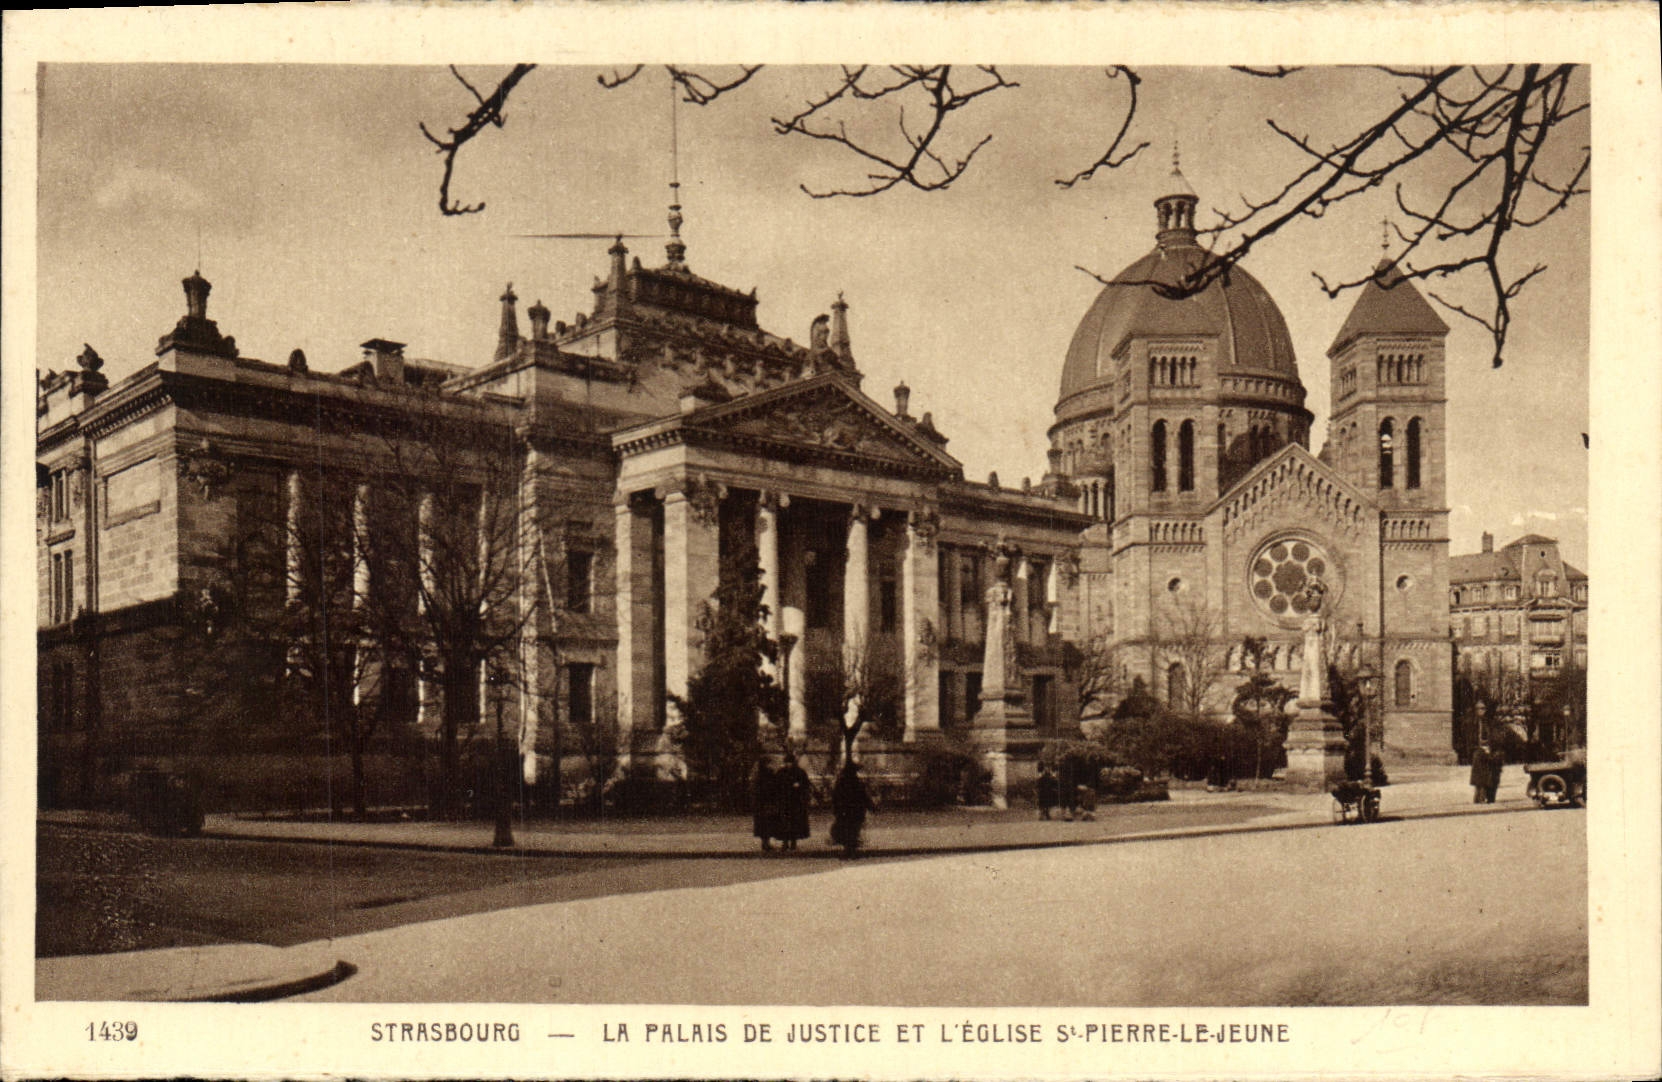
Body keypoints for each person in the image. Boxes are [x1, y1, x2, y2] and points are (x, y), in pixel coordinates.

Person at [830, 760, 872, 858]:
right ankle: (851, 851)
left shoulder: (841, 782)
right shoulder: (856, 782)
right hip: (855, 811)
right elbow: (863, 796)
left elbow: (835, 797)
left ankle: (848, 850)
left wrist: (836, 810)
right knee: (853, 831)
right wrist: (870, 806)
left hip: (844, 811)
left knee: (846, 830)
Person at [777, 753, 811, 851]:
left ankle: (793, 842)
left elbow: (805, 785)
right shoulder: (781, 772)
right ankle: (785, 842)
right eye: (787, 762)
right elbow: (777, 785)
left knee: (795, 822)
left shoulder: (799, 772)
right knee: (784, 822)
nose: (789, 764)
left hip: (796, 801)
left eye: (790, 762)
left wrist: (799, 786)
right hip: (785, 800)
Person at [752, 756, 780, 851]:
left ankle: (765, 842)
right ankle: (766, 843)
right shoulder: (768, 774)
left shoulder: (758, 775)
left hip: (761, 803)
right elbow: (773, 787)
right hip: (767, 802)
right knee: (768, 822)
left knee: (763, 824)